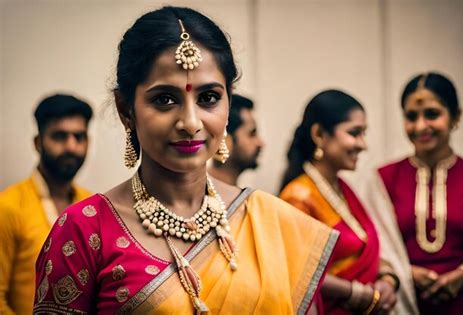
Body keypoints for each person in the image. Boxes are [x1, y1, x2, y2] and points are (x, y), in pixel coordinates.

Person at [33, 6, 338, 314]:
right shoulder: (83, 231)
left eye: (208, 98)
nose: (190, 122)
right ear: (126, 110)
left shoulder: (268, 220)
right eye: (165, 99)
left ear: (228, 103)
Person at [280, 90, 398, 315]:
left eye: (364, 133)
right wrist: (357, 294)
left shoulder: (343, 189)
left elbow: (366, 249)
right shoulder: (299, 197)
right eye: (355, 133)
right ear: (319, 134)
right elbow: (300, 272)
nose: (363, 145)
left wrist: (388, 279)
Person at [365, 72, 463, 314]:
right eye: (411, 117)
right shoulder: (384, 179)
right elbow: (374, 247)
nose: (421, 126)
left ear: (456, 117)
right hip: (402, 304)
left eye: (432, 114)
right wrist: (407, 273)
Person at [0, 94, 93, 315]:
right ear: (38, 142)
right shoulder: (8, 207)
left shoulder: (91, 207)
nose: (71, 146)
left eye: (79, 136)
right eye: (59, 136)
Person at [208, 94, 264, 185]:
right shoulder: (202, 196)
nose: (260, 143)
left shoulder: (241, 197)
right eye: (252, 134)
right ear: (224, 141)